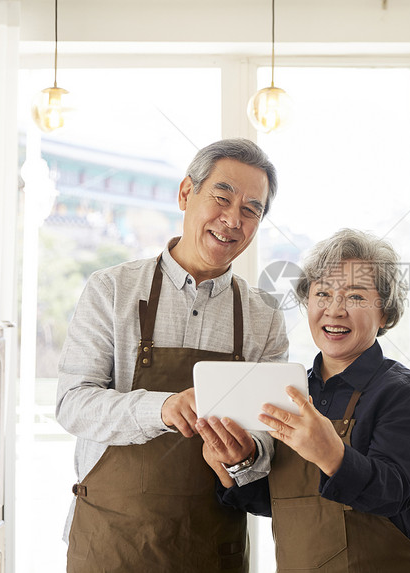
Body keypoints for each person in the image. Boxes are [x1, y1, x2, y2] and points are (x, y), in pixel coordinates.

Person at [55, 138, 289, 572]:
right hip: (110, 545)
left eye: (251, 209)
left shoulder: (265, 320)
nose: (232, 219)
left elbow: (271, 444)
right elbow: (72, 404)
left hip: (212, 549)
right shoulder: (111, 290)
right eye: (221, 197)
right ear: (186, 193)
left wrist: (245, 457)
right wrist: (162, 408)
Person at [197, 229, 410, 572]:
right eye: (322, 293)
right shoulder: (289, 390)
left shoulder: (404, 392)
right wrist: (234, 465)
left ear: (385, 313)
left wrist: (332, 454)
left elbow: (393, 494)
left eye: (355, 297)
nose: (335, 310)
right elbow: (280, 503)